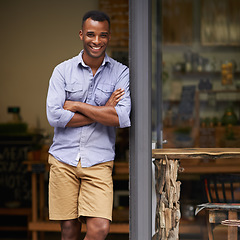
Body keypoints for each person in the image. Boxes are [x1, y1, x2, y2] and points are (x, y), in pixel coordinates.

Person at [46, 10, 131, 240]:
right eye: (91, 34)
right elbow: (54, 117)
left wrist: (75, 105)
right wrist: (103, 110)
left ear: (109, 37)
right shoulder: (62, 71)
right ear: (81, 34)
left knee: (99, 228)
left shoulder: (121, 73)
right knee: (69, 230)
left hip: (99, 161)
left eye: (102, 35)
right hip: (64, 160)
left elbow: (121, 118)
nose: (96, 41)